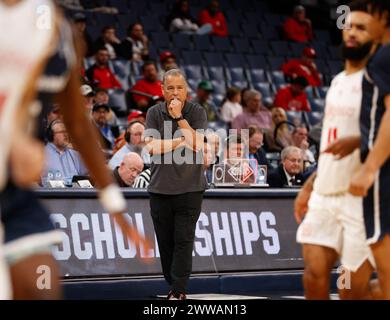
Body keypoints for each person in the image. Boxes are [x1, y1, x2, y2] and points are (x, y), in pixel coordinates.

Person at [0, 0, 149, 300]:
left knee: (41, 284)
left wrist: (116, 209)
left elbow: (79, 125)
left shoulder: (57, 32)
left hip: (13, 192)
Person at [294, 4, 379, 299]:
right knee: (314, 275)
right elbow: (331, 146)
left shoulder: (378, 82)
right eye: (349, 27)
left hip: (360, 198)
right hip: (325, 193)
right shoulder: (336, 82)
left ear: (377, 38)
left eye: (361, 28)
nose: (352, 33)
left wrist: (357, 140)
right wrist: (310, 184)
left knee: (351, 291)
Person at [144, 68, 207, 300]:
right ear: (162, 90)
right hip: (160, 189)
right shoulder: (153, 112)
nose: (175, 92)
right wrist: (182, 140)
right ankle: (174, 283)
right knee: (166, 243)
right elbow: (151, 147)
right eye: (170, 88)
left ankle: (178, 290)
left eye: (179, 87)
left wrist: (179, 117)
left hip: (190, 189)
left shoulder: (196, 111)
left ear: (186, 89)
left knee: (184, 240)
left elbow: (198, 146)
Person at [347, 0, 390, 299]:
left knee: (382, 251)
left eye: (366, 20)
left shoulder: (382, 59)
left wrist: (369, 167)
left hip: (382, 167)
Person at [42, 119, 88, 185]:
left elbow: (88, 174)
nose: (66, 134)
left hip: (76, 194)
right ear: (51, 134)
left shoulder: (74, 154)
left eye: (66, 131)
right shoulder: (42, 154)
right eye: (62, 132)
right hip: (52, 194)